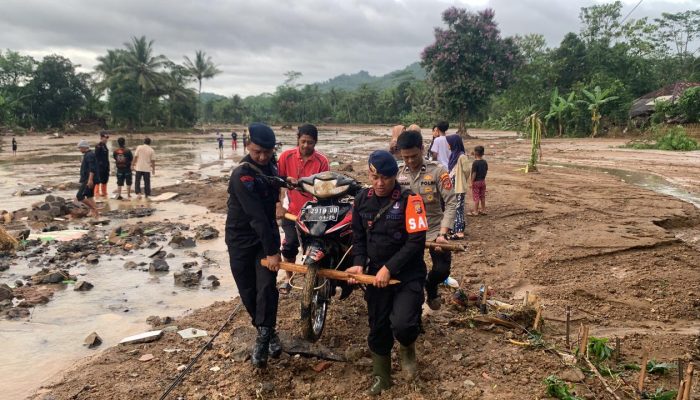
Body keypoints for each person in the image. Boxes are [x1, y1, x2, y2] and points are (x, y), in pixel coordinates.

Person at [345, 150, 428, 395]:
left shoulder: (411, 200)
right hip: (375, 276)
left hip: (407, 274)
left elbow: (416, 242)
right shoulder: (361, 200)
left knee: (403, 324)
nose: (379, 183)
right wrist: (359, 263)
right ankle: (382, 376)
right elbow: (358, 237)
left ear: (395, 176)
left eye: (385, 178)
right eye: (374, 177)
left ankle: (407, 347)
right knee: (378, 326)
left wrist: (389, 268)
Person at [226, 123, 285, 369]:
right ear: (248, 145)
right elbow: (257, 216)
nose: (262, 157)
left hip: (265, 237)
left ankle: (262, 339)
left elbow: (270, 211)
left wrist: (272, 249)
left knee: (266, 287)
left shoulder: (271, 167)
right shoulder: (242, 175)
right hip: (240, 238)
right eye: (257, 151)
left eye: (267, 152)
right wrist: (274, 251)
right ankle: (268, 331)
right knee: (248, 291)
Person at [396, 130, 457, 310]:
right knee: (411, 271)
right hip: (410, 231)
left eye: (414, 156)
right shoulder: (398, 174)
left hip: (435, 229)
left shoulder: (438, 171)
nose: (410, 161)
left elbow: (451, 203)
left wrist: (443, 233)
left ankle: (431, 286)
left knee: (442, 269)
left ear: (422, 149)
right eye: (405, 157)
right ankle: (414, 305)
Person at [275, 124, 330, 294]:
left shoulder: (322, 161)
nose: (306, 145)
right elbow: (278, 183)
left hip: (312, 213)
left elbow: (324, 190)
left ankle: (310, 277)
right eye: (303, 141)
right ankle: (288, 278)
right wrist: (278, 205)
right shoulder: (285, 157)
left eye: (310, 143)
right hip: (291, 211)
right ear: (298, 139)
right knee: (289, 245)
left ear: (316, 143)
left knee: (311, 248)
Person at [447, 135, 468, 238]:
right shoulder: (453, 155)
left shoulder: (462, 156)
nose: (448, 145)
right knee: (454, 207)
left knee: (458, 208)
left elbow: (467, 171)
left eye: (449, 143)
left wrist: (462, 180)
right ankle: (455, 229)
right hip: (452, 188)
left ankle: (459, 232)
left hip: (459, 187)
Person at [76, 140, 99, 217]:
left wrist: (90, 180)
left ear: (84, 147)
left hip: (88, 179)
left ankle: (94, 209)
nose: (80, 150)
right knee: (89, 196)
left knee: (80, 196)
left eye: (80, 148)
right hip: (88, 178)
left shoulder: (89, 155)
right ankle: (95, 213)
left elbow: (92, 168)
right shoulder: (88, 154)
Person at [469, 145, 488, 215]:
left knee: (476, 197)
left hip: (476, 182)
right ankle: (483, 210)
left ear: (476, 153)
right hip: (483, 181)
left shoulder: (475, 163)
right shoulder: (484, 162)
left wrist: (471, 182)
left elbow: (474, 173)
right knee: (482, 196)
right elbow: (486, 171)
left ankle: (475, 211)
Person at [94, 132, 110, 197]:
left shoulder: (105, 146)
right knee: (98, 179)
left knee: (105, 179)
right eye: (105, 138)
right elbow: (96, 157)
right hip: (100, 166)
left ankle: (104, 192)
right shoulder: (98, 146)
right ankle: (96, 193)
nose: (106, 139)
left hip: (106, 166)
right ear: (101, 138)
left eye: (107, 138)